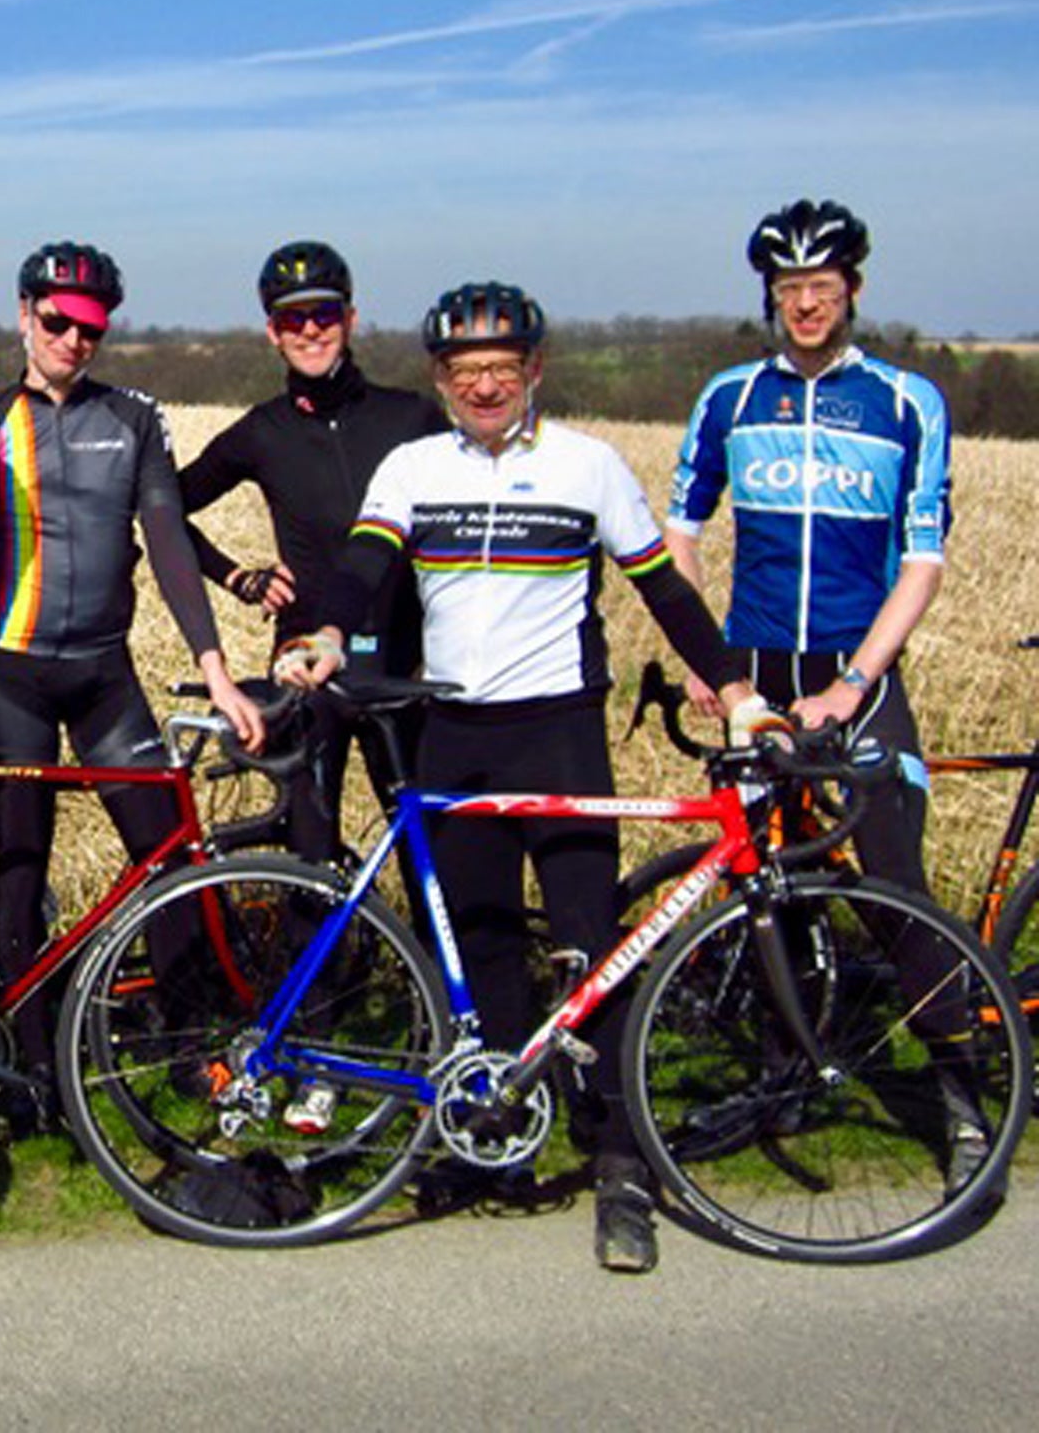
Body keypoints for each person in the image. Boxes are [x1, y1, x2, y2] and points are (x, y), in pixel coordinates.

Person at [285, 280, 770, 1274]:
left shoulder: (586, 466)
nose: (484, 387)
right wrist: (326, 632)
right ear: (440, 380)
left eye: (502, 370)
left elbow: (662, 592)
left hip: (557, 732)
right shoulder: (411, 466)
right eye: (465, 374)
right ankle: (492, 1140)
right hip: (452, 729)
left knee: (595, 954)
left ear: (534, 371)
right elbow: (360, 569)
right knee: (485, 951)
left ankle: (620, 1163)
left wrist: (733, 688)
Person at [664, 201, 987, 1191]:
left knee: (890, 879)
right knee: (760, 882)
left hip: (855, 669)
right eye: (786, 290)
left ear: (851, 289)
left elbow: (920, 562)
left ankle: (961, 1095)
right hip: (754, 671)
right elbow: (675, 528)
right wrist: (697, 654)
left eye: (821, 286)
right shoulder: (728, 397)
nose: (804, 304)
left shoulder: (902, 400)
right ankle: (783, 1075)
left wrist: (852, 685)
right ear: (767, 298)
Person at [0, 240, 265, 1116]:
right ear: (23, 315)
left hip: (103, 674)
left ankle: (192, 1042)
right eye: (57, 322)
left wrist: (216, 670)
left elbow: (166, 541)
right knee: (19, 864)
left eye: (91, 328)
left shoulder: (134, 419)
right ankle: (32, 1063)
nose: (73, 341)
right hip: (9, 677)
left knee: (169, 855)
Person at [179, 239, 447, 868]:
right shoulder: (261, 431)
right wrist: (236, 576)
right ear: (271, 332)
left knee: (428, 850)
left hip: (404, 663)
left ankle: (429, 966)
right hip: (304, 663)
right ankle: (318, 968)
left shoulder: (411, 418)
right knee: (308, 850)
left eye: (323, 314)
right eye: (290, 319)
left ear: (350, 320)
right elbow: (162, 509)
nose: (309, 330)